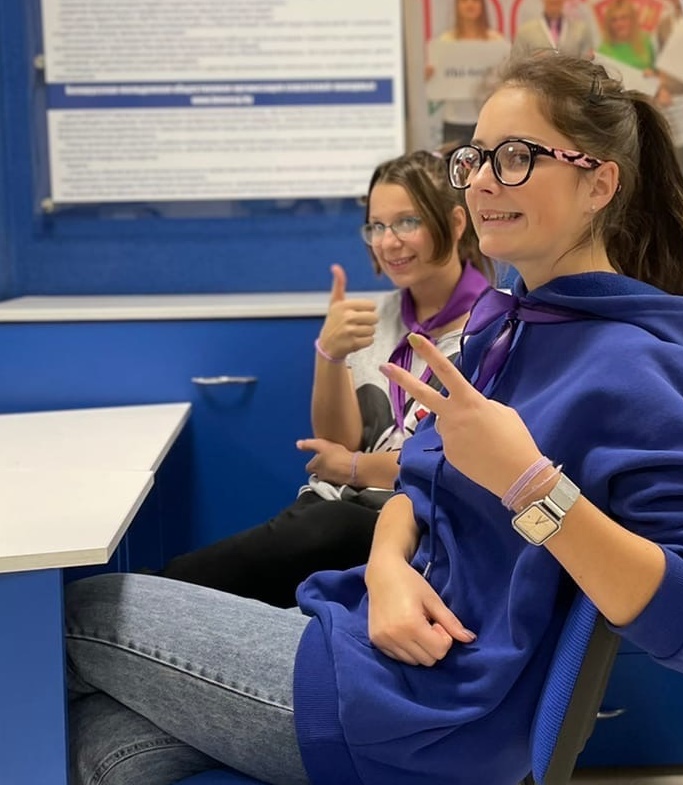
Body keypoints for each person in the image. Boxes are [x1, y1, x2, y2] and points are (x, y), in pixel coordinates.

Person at [65, 52, 683, 785]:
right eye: (475, 158)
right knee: (102, 748)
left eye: (517, 157)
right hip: (374, 650)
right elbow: (418, 481)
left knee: (82, 610)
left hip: (422, 713)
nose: (482, 181)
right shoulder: (513, 325)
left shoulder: (634, 363)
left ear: (599, 183)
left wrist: (531, 485)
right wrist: (385, 569)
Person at [156, 149, 493, 609]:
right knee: (304, 530)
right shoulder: (373, 319)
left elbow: (460, 464)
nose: (389, 242)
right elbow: (338, 443)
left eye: (407, 222)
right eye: (377, 226)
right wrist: (330, 354)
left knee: (318, 529)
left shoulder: (494, 329)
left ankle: (140, 600)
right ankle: (144, 604)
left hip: (414, 522)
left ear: (455, 223)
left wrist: (354, 468)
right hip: (335, 505)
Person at [426, 0, 507, 146]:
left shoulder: (497, 41)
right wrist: (430, 76)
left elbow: (504, 78)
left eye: (475, 1)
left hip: (488, 120)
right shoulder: (445, 42)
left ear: (482, 6)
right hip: (454, 120)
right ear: (457, 6)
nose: (470, 4)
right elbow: (436, 84)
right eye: (464, 1)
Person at [511, 0, 594, 61]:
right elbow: (515, 65)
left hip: (572, 79)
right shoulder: (525, 32)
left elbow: (588, 65)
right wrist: (532, 62)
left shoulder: (580, 30)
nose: (554, 0)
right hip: (537, 79)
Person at [597, 0, 656, 70]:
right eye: (614, 20)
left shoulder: (645, 40)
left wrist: (652, 72)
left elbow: (657, 70)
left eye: (624, 18)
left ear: (633, 19)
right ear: (609, 24)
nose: (619, 24)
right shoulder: (603, 50)